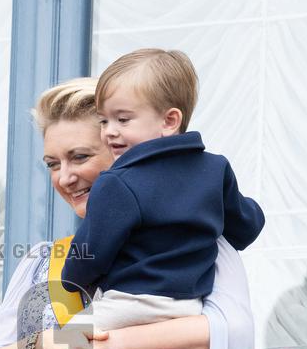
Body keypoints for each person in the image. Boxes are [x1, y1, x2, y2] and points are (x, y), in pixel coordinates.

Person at [0, 77, 255, 349]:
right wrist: (40, 347)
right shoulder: (42, 260)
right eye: (53, 164)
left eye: (80, 156)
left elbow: (229, 333)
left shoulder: (197, 239)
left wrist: (89, 345)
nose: (64, 178)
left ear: (124, 151)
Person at [60, 48, 265, 333]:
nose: (109, 132)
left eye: (123, 119)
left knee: (58, 347)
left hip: (129, 305)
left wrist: (70, 279)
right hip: (191, 308)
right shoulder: (215, 170)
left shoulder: (117, 182)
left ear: (169, 121)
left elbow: (91, 253)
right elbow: (246, 227)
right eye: (104, 120)